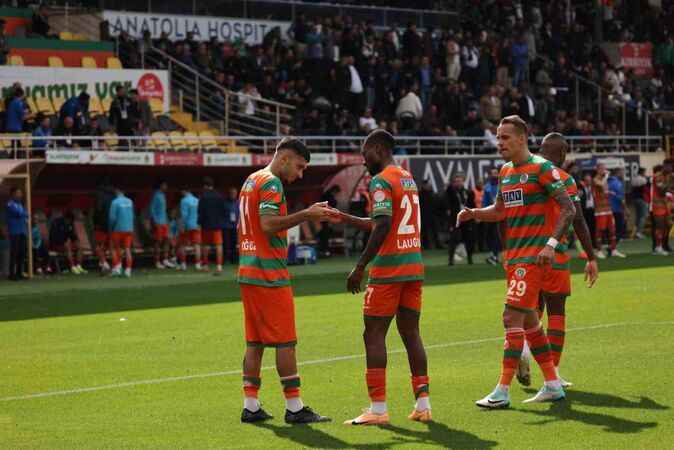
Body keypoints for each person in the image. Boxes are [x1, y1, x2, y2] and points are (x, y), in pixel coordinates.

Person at [457, 116, 574, 407]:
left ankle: (502, 391)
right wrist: (474, 213)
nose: (500, 143)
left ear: (522, 138)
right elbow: (499, 211)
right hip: (515, 257)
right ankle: (552, 384)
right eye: (498, 137)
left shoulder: (543, 168)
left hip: (533, 259)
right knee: (531, 321)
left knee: (511, 317)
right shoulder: (506, 171)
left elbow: (568, 209)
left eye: (505, 137)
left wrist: (550, 245)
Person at [334, 130, 430, 425]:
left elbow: (384, 225)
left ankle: (377, 410)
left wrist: (360, 266)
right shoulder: (406, 178)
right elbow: (382, 222)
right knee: (411, 333)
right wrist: (344, 217)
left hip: (389, 270)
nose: (364, 160)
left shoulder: (380, 180)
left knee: (373, 334)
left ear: (378, 148)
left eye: (366, 153)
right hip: (413, 266)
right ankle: (423, 405)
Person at [237, 137, 335, 424]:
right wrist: (307, 214)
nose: (300, 174)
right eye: (300, 166)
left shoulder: (251, 180)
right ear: (284, 158)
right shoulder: (271, 183)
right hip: (269, 274)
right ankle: (294, 407)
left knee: (255, 342)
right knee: (285, 342)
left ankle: (251, 405)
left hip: (249, 270)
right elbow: (267, 226)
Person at [517, 133, 599, 387]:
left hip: (525, 253)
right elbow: (577, 220)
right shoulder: (563, 178)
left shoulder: (520, 173)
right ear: (562, 153)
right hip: (554, 256)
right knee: (556, 312)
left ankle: (523, 351)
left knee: (531, 311)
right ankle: (553, 375)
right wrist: (591, 256)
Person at [593, 164, 626, 258]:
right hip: (600, 210)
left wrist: (610, 192)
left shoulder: (605, 180)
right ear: (598, 170)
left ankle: (613, 249)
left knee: (612, 230)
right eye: (603, 169)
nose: (605, 171)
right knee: (600, 230)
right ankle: (598, 250)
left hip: (608, 208)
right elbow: (601, 185)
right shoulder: (595, 179)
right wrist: (606, 177)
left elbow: (604, 190)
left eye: (605, 169)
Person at [446, 173, 475, 265]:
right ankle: (451, 259)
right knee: (453, 238)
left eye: (460, 181)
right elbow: (447, 200)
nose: (458, 183)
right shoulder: (451, 191)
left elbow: (471, 205)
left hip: (466, 218)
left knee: (469, 238)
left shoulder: (467, 192)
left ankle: (470, 258)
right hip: (455, 219)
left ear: (463, 182)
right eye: (456, 181)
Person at [198, 176, 226, 273]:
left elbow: (200, 211)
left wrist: (199, 223)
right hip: (217, 225)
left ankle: (206, 265)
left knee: (205, 245)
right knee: (219, 245)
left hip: (206, 224)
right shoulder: (219, 196)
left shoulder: (203, 197)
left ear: (205, 186)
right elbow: (223, 210)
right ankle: (219, 266)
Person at [49, 210, 86, 275]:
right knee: (67, 246)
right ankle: (72, 267)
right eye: (69, 220)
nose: (70, 222)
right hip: (55, 245)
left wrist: (76, 241)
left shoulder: (70, 223)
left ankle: (79, 266)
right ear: (66, 218)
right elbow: (53, 237)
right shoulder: (57, 223)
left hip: (65, 245)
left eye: (71, 220)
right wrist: (65, 242)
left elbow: (72, 235)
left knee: (79, 246)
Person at [109, 188, 135, 277]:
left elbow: (112, 218)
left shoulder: (114, 202)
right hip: (129, 228)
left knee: (115, 248)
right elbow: (132, 215)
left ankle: (117, 267)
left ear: (116, 192)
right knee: (127, 249)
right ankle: (128, 270)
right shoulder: (130, 201)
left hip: (118, 229)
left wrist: (111, 228)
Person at [150, 181, 174, 269]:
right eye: (164, 185)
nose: (166, 187)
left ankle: (165, 260)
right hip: (159, 223)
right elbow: (152, 210)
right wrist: (155, 222)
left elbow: (164, 210)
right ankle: (157, 261)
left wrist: (167, 221)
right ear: (160, 186)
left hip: (164, 222)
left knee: (167, 240)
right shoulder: (156, 195)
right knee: (158, 242)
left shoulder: (163, 195)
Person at [6, 187, 28, 281]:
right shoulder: (10, 204)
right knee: (14, 253)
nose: (20, 195)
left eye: (21, 193)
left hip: (22, 231)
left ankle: (19, 273)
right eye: (18, 193)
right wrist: (23, 213)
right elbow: (18, 213)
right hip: (15, 231)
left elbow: (26, 214)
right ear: (13, 194)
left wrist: (23, 213)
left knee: (22, 253)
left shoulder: (20, 204)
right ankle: (12, 274)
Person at [93, 178, 115, 273]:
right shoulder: (113, 196)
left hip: (100, 225)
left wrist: (95, 221)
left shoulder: (99, 195)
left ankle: (104, 263)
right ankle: (115, 266)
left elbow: (98, 210)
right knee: (109, 246)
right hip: (111, 225)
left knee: (98, 246)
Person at [650, 165, 672, 255]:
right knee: (660, 226)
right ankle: (657, 248)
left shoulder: (665, 176)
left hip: (665, 205)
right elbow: (662, 191)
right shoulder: (658, 176)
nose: (671, 169)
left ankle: (662, 246)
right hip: (658, 206)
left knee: (667, 226)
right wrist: (669, 182)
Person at [177, 189, 201, 271]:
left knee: (182, 245)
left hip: (187, 226)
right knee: (197, 245)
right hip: (196, 225)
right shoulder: (197, 200)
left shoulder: (184, 201)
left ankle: (183, 264)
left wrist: (182, 226)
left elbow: (184, 215)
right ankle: (197, 264)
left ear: (184, 191)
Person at [482, 168, 501, 265]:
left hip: (502, 214)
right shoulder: (487, 187)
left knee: (498, 236)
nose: (495, 175)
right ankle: (494, 255)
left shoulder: (502, 185)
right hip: (491, 214)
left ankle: (496, 256)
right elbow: (484, 202)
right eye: (493, 173)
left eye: (496, 173)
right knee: (491, 236)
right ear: (490, 175)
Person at [109, 86, 135, 150]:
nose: (123, 92)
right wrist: (112, 126)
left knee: (133, 140)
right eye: (121, 91)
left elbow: (134, 111)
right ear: (117, 92)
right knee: (122, 141)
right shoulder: (114, 102)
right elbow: (112, 115)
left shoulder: (129, 100)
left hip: (129, 124)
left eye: (123, 91)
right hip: (120, 125)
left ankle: (135, 152)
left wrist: (134, 122)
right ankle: (122, 154)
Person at [318, 185, 340, 257]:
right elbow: (331, 207)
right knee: (325, 233)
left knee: (325, 233)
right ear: (335, 191)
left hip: (323, 218)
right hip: (325, 218)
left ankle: (324, 250)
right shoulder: (330, 198)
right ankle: (325, 250)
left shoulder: (325, 195)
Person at [579, 172, 597, 252]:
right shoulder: (581, 189)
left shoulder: (593, 188)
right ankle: (586, 246)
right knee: (586, 229)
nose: (589, 182)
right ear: (584, 181)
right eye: (587, 180)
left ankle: (594, 244)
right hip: (585, 211)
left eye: (590, 180)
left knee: (593, 228)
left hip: (593, 210)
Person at [608, 168, 627, 243]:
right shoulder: (617, 183)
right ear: (618, 173)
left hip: (608, 209)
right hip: (617, 209)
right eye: (622, 173)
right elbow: (621, 198)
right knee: (618, 228)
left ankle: (610, 244)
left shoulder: (607, 182)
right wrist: (626, 209)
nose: (623, 175)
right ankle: (613, 246)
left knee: (611, 228)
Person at [630, 167, 649, 239]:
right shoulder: (643, 179)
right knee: (643, 216)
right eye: (644, 172)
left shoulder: (634, 179)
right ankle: (639, 232)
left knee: (638, 216)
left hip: (635, 199)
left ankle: (635, 232)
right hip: (641, 199)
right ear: (642, 172)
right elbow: (645, 190)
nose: (645, 174)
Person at [223, 187, 239, 264]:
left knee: (235, 244)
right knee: (226, 244)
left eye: (234, 193)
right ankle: (226, 259)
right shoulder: (224, 203)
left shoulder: (238, 202)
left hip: (235, 226)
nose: (233, 195)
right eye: (231, 193)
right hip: (226, 226)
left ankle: (234, 259)